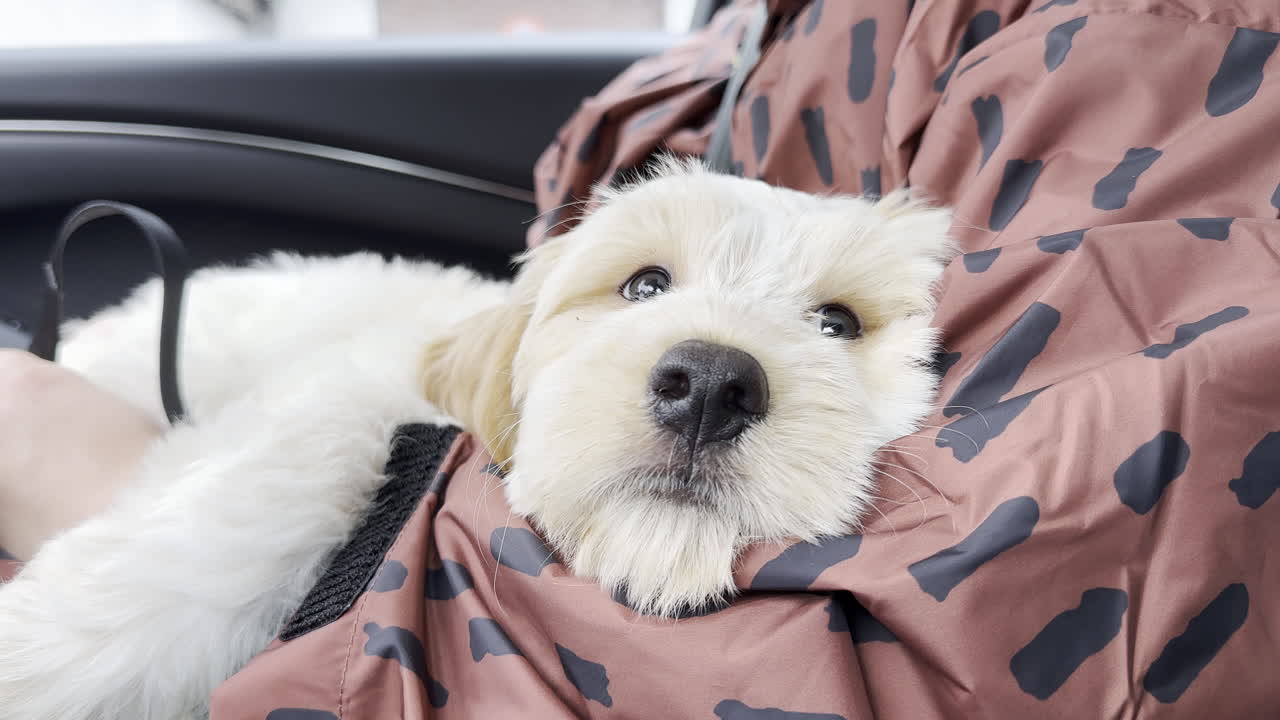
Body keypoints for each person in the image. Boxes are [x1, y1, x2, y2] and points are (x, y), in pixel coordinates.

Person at [3, 0, 1279, 717]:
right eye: (649, 286)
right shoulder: (753, 35)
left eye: (838, 322)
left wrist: (124, 502)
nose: (706, 371)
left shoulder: (1165, 44)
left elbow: (982, 641)